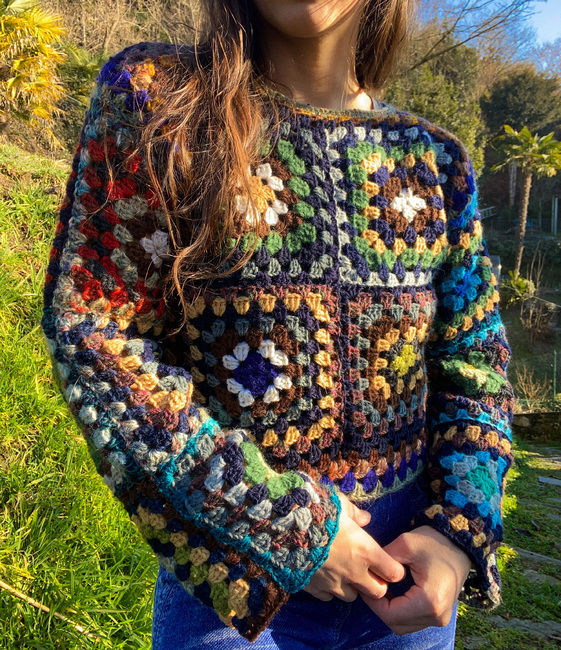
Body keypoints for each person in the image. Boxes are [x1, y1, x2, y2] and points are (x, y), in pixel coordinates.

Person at [41, 0, 515, 648]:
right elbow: (92, 329)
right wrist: (280, 523)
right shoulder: (162, 106)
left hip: (406, 584)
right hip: (231, 583)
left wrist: (457, 532)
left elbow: (475, 365)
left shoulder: (435, 163)